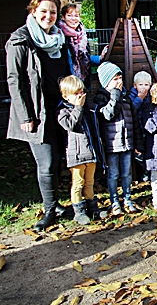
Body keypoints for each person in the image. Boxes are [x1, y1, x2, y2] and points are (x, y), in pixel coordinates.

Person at [6, 0, 72, 231]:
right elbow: (15, 80)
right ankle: (49, 210)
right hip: (37, 112)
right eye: (43, 11)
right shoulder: (20, 40)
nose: (48, 16)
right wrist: (26, 116)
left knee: (57, 161)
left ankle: (55, 204)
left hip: (58, 109)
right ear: (33, 11)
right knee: (46, 162)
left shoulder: (58, 39)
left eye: (53, 12)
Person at [93, 61, 144, 215]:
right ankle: (114, 200)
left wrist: (137, 143)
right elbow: (108, 115)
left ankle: (127, 198)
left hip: (127, 143)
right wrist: (114, 95)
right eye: (115, 79)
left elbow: (134, 122)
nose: (119, 82)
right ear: (106, 82)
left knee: (126, 173)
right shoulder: (101, 99)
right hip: (111, 145)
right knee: (113, 174)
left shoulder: (127, 99)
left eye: (120, 78)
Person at [57, 75, 108, 224]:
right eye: (76, 93)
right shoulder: (63, 113)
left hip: (90, 153)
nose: (80, 96)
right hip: (76, 156)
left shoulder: (88, 109)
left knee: (89, 182)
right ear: (66, 97)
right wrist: (78, 107)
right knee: (78, 183)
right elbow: (71, 125)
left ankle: (93, 208)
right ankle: (79, 212)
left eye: (81, 92)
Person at [58, 3, 107, 90]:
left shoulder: (82, 36)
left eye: (76, 15)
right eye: (69, 15)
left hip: (83, 80)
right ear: (63, 17)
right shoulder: (59, 36)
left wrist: (100, 58)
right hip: (67, 84)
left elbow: (85, 57)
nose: (73, 18)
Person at [129, 71, 153, 182]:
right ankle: (143, 170)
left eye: (146, 85)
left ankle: (148, 171)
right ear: (135, 85)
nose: (144, 87)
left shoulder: (150, 96)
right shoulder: (131, 96)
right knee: (138, 153)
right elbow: (131, 110)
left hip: (147, 129)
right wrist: (139, 98)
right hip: (136, 129)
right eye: (141, 84)